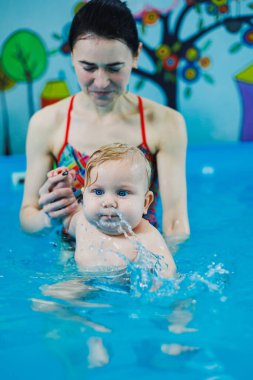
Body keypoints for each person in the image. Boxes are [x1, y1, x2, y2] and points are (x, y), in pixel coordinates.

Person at [20, 0, 189, 242]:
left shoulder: (165, 123)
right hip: (72, 263)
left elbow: (176, 223)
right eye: (88, 67)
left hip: (141, 256)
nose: (100, 82)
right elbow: (27, 217)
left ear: (136, 56)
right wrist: (49, 217)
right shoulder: (47, 123)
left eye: (114, 68)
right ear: (72, 57)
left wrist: (164, 269)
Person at [48, 143, 176, 278]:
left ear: (145, 203)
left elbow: (167, 274)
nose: (108, 202)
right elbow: (66, 220)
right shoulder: (81, 222)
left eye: (122, 193)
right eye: (98, 191)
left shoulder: (146, 237)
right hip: (82, 282)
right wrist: (62, 190)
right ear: (84, 196)